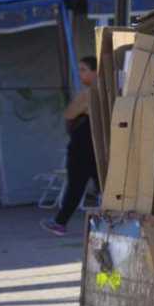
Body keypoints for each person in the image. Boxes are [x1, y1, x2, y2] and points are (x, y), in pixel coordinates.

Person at [41, 57, 100, 236]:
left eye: (83, 69)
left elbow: (69, 114)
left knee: (76, 186)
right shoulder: (108, 91)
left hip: (82, 147)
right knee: (101, 186)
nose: (80, 73)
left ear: (95, 72)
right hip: (97, 148)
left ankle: (60, 223)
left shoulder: (88, 93)